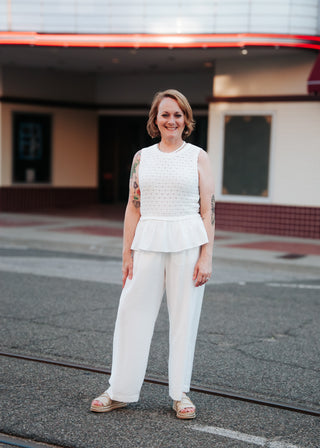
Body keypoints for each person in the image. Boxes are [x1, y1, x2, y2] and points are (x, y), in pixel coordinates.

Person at [90, 89, 215, 419]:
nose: (171, 120)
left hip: (188, 242)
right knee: (131, 313)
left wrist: (206, 256)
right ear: (155, 120)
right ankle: (120, 390)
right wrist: (126, 254)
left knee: (184, 319)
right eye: (165, 115)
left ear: (186, 119)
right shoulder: (141, 157)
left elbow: (208, 211)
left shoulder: (198, 157)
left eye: (177, 114)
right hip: (146, 243)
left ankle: (180, 393)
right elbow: (133, 207)